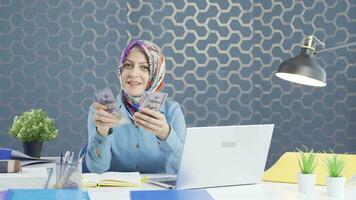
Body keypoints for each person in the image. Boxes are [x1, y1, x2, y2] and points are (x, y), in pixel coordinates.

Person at [85, 40, 186, 174]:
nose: (133, 73)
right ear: (120, 71)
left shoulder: (172, 112)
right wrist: (102, 133)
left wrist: (165, 134)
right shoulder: (100, 112)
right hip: (115, 194)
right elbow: (96, 170)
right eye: (128, 65)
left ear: (156, 74)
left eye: (144, 67)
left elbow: (186, 169)